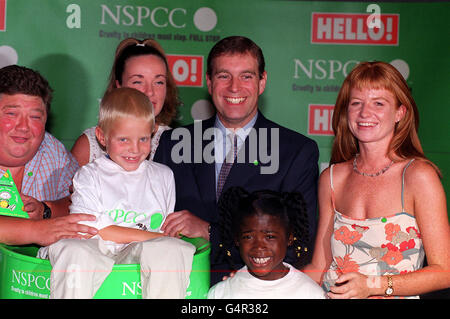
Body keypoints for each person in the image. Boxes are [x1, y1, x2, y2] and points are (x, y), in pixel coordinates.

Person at [154, 36, 319, 285]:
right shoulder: (173, 143)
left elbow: (300, 244)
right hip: (175, 286)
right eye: (223, 76)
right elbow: (147, 221)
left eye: (246, 76)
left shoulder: (296, 151)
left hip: (252, 290)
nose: (234, 87)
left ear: (262, 82)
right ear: (209, 82)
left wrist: (210, 232)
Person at [303, 61, 450, 298]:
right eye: (356, 103)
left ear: (400, 113)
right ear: (345, 111)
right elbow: (319, 268)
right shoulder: (331, 178)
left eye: (378, 103)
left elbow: (444, 271)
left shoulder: (418, 176)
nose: (364, 113)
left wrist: (372, 285)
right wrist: (261, 282)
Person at [44, 87, 195, 299]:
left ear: (152, 133)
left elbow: (166, 232)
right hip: (95, 249)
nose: (134, 149)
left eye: (143, 139)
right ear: (102, 137)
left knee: (171, 249)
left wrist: (159, 239)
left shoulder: (163, 176)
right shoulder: (88, 175)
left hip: (138, 253)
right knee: (73, 250)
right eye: (124, 139)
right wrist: (153, 237)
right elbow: (94, 230)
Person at [0, 65, 97, 246]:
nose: (23, 127)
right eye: (12, 114)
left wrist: (46, 211)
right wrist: (36, 230)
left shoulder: (53, 152)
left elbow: (79, 202)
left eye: (35, 117)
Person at [71, 37, 180, 165]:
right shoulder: (90, 146)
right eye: (138, 82)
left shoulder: (177, 144)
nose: (150, 91)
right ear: (119, 85)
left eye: (159, 82)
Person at [207, 187, 326, 299]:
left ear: (289, 237)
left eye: (269, 237)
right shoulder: (221, 293)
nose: (259, 247)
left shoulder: (310, 293)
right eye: (248, 237)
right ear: (237, 239)